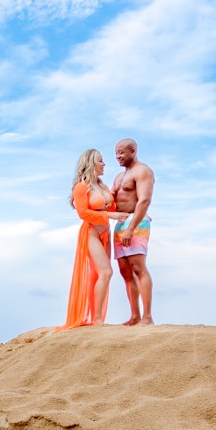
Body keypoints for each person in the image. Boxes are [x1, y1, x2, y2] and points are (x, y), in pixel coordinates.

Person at [61, 149, 129, 329]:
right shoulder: (81, 187)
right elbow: (83, 214)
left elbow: (114, 208)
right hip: (91, 233)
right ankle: (97, 320)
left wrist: (140, 215)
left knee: (96, 275)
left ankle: (95, 318)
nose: (104, 164)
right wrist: (110, 217)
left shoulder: (103, 186)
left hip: (104, 233)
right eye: (100, 161)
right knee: (106, 272)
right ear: (91, 163)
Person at [111, 138, 156, 325]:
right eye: (116, 153)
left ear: (133, 151)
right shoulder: (119, 177)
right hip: (120, 224)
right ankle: (134, 316)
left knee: (138, 268)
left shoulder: (143, 171)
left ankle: (147, 317)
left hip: (135, 224)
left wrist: (131, 228)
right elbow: (110, 200)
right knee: (125, 271)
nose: (118, 157)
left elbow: (144, 200)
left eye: (121, 152)